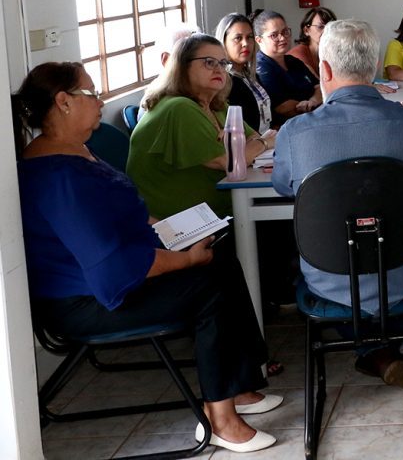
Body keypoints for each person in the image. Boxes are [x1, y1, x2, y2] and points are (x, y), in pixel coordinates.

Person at [14, 62, 279, 453]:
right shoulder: (58, 177)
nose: (100, 101)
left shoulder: (76, 150)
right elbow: (113, 263)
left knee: (223, 258)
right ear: (63, 102)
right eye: (91, 94)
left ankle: (238, 386)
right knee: (209, 288)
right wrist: (186, 260)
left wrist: (177, 232)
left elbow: (128, 217)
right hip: (88, 301)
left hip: (115, 275)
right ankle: (220, 420)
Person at [272, 19, 403, 387]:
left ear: (324, 69)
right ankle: (388, 343)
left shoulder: (294, 132)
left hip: (331, 274)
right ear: (375, 67)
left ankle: (373, 351)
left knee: (318, 250)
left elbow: (282, 187)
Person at [128, 34, 276, 220]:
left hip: (220, 209)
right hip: (181, 222)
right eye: (209, 62)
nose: (219, 69)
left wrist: (247, 145)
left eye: (223, 63)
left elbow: (252, 137)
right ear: (182, 67)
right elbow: (231, 163)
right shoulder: (179, 108)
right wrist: (263, 142)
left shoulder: (217, 105)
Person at [254, 10, 322, 126]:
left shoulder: (293, 61)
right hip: (290, 127)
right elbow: (283, 107)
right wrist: (313, 106)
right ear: (259, 40)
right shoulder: (261, 68)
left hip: (313, 119)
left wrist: (313, 101)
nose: (282, 38)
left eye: (285, 32)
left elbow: (319, 87)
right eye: (274, 35)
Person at [216, 13, 272, 134]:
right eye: (238, 38)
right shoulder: (223, 81)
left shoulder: (251, 75)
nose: (246, 43)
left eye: (250, 37)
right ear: (223, 42)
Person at [290, 6, 337, 78]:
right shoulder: (297, 54)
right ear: (306, 30)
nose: (327, 31)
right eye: (320, 27)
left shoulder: (331, 51)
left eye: (331, 27)